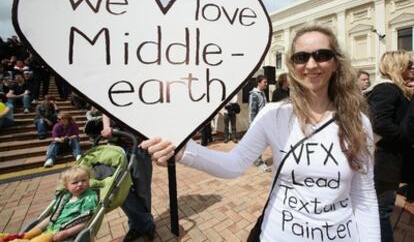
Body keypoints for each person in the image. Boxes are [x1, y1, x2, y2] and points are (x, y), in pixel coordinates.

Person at [141, 25, 380, 241]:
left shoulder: (357, 122)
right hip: (278, 235)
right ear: (292, 65)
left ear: (336, 62)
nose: (311, 64)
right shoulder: (274, 114)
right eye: (301, 57)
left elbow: (364, 195)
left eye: (322, 55)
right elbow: (234, 164)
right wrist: (184, 151)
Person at [365, 51, 414, 242]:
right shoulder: (388, 89)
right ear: (397, 66)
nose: (412, 68)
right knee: (381, 212)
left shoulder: (394, 89)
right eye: (409, 64)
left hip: (387, 162)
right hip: (384, 163)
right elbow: (380, 123)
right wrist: (407, 139)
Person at [101, 115, 155, 241]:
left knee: (143, 190)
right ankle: (145, 224)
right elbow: (105, 110)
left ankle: (139, 226)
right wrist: (106, 126)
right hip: (116, 146)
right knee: (118, 189)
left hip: (140, 145)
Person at [19, 165, 98, 241]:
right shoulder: (65, 197)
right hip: (50, 231)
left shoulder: (89, 199)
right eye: (75, 183)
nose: (80, 184)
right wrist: (33, 231)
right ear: (66, 186)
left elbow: (86, 222)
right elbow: (53, 217)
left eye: (84, 180)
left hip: (68, 235)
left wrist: (66, 233)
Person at [249, 75, 270, 172]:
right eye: (264, 82)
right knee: (258, 143)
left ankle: (256, 159)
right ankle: (258, 161)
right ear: (258, 83)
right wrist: (253, 125)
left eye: (266, 82)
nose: (266, 84)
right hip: (257, 124)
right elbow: (252, 112)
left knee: (261, 143)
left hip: (263, 122)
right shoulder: (254, 94)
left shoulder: (262, 93)